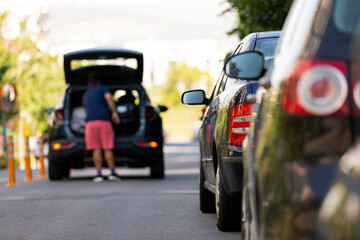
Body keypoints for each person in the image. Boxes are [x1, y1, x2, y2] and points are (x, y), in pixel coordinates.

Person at [82, 72, 121, 182]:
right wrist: (114, 112)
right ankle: (112, 172)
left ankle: (99, 174)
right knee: (107, 148)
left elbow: (85, 108)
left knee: (96, 149)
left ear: (89, 83)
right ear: (99, 82)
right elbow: (109, 98)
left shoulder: (86, 93)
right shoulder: (103, 89)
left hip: (90, 124)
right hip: (104, 122)